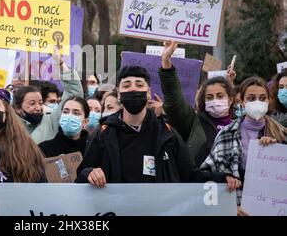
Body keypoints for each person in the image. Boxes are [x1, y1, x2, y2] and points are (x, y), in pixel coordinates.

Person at [76, 65, 238, 189]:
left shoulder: (168, 135)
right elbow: (81, 175)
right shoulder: (103, 134)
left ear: (148, 93)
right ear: (119, 94)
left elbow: (191, 175)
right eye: (126, 86)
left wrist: (222, 178)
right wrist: (89, 172)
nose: (133, 89)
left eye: (139, 85)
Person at [201, 76, 287, 211]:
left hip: (274, 209)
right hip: (236, 209)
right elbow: (206, 175)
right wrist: (224, 179)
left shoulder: (282, 134)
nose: (258, 102)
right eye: (251, 98)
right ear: (241, 101)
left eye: (263, 98)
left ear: (269, 99)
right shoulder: (227, 134)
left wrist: (275, 149)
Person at [159, 41, 236, 166]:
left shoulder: (240, 125)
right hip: (198, 184)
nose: (215, 100)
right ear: (203, 101)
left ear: (230, 99)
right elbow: (174, 100)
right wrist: (166, 61)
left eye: (220, 96)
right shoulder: (194, 123)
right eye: (209, 97)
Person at [13, 46, 83, 144]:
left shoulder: (51, 121)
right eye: (32, 103)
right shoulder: (10, 127)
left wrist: (61, 64)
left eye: (40, 103)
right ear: (18, 108)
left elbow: (74, 93)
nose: (38, 107)